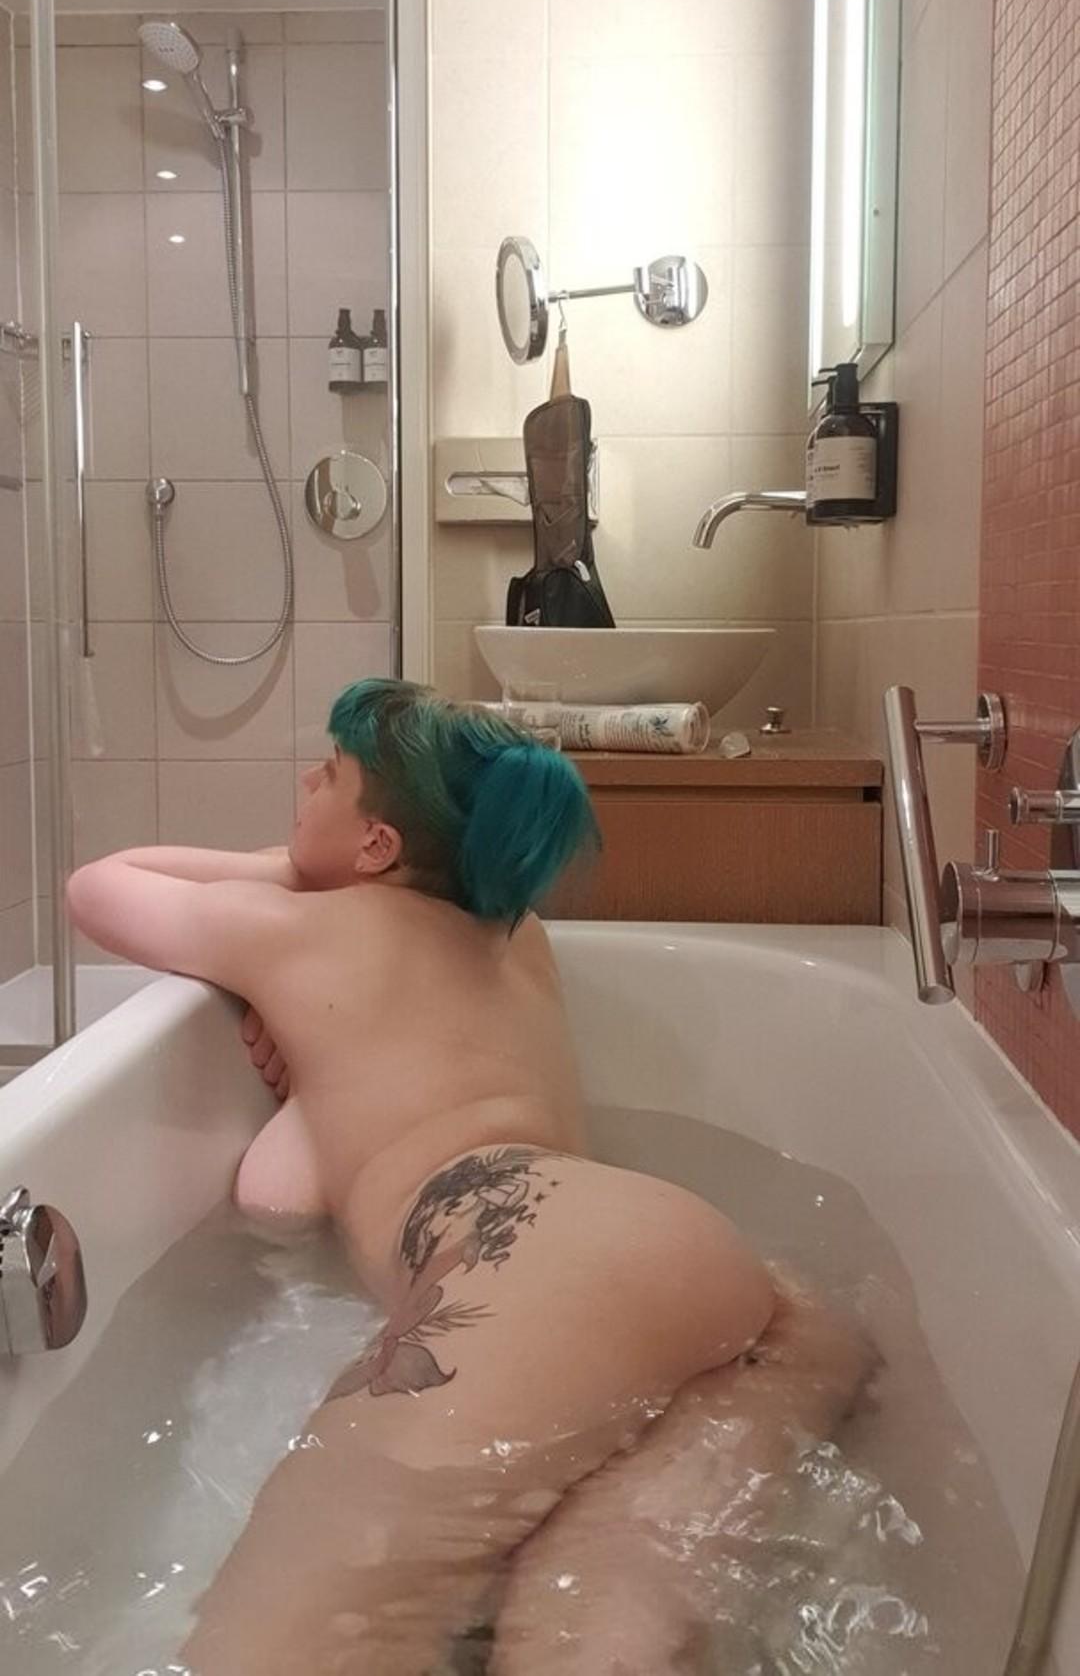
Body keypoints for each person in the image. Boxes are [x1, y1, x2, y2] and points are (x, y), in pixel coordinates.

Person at [67, 677, 872, 1675]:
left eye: (329, 772)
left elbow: (99, 885)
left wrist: (287, 872)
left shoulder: (299, 928)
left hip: (521, 1262)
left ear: (377, 845)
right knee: (600, 1622)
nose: (305, 781)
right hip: (716, 1265)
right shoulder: (515, 931)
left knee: (274, 1650)